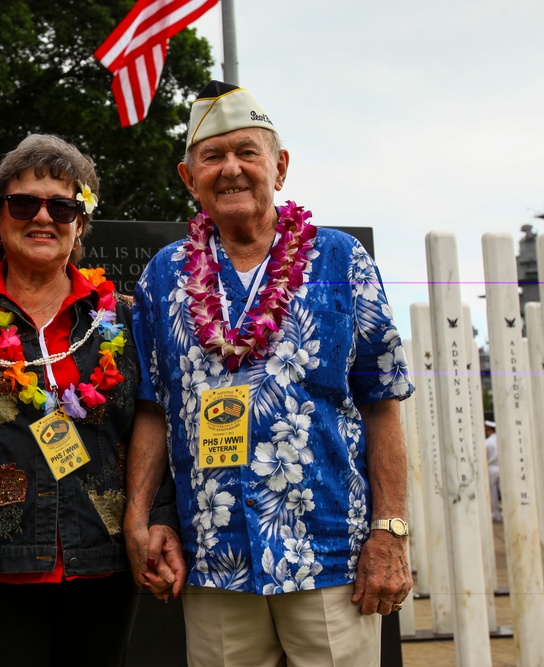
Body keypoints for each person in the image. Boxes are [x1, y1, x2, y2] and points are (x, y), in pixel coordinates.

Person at [125, 81, 415, 666]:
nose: (231, 169)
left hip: (330, 553)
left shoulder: (339, 261)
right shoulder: (163, 276)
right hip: (215, 558)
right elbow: (154, 409)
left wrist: (391, 531)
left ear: (279, 167)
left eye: (247, 153)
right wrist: (138, 520)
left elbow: (382, 401)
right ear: (189, 178)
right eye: (212, 156)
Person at [0, 133, 180, 667]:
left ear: (80, 223)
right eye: (23, 203)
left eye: (63, 205)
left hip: (103, 558)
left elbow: (152, 422)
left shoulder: (122, 318)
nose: (43, 216)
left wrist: (159, 518)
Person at [485, 419, 502, 521]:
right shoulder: (502, 440)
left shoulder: (487, 442)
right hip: (502, 467)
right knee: (503, 491)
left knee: (493, 492)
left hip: (491, 468)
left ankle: (496, 514)